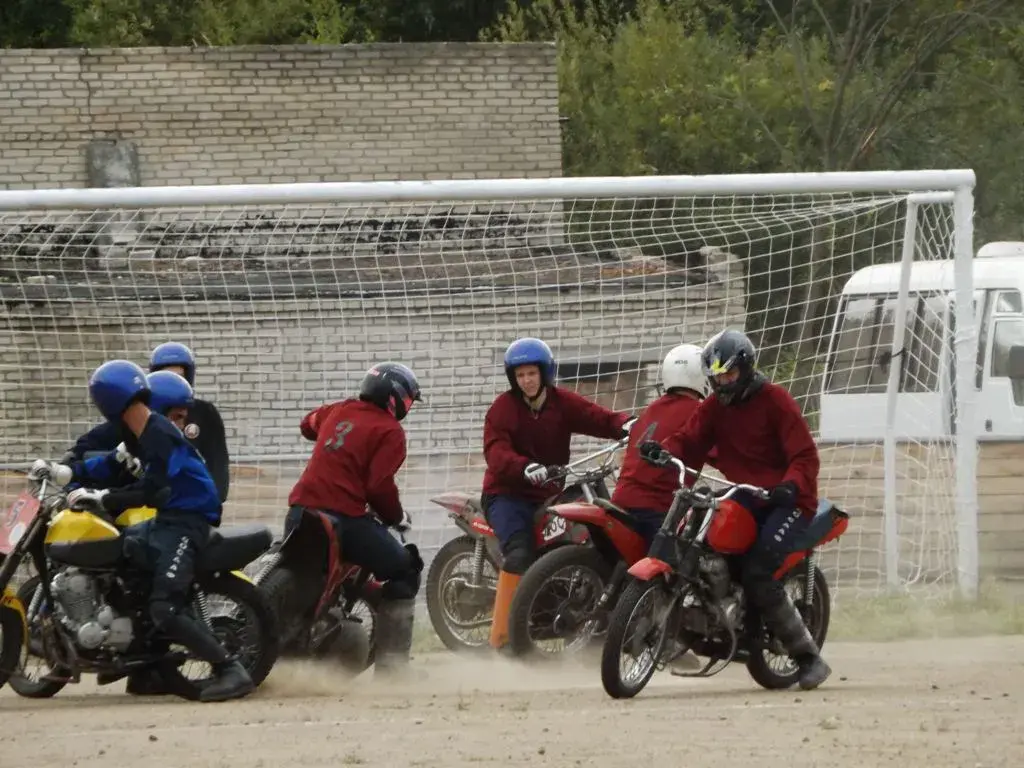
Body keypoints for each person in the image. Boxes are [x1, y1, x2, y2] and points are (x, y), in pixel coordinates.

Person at [29, 360, 254, 703]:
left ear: (107, 401)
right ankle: (135, 656)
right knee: (122, 558)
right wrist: (62, 471)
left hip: (186, 521)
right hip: (167, 518)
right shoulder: (138, 431)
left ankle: (230, 670)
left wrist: (103, 496)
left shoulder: (159, 433)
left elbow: (155, 490)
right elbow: (108, 463)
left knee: (165, 607)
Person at [641, 329, 831, 690]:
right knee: (704, 543)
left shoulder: (776, 401)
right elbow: (690, 439)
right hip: (747, 492)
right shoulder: (713, 407)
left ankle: (807, 657)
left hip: (788, 499)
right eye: (716, 377)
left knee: (758, 570)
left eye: (729, 375)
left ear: (746, 369)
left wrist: (790, 484)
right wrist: (663, 450)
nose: (723, 383)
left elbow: (805, 456)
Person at [482, 337, 634, 649]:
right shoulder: (502, 409)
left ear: (545, 373)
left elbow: (597, 417)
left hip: (547, 494)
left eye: (531, 374)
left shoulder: (561, 402)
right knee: (520, 553)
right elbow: (495, 452)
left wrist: (627, 424)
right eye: (520, 375)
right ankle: (501, 638)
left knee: (585, 539)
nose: (526, 381)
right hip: (507, 495)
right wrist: (523, 467)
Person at [286, 361, 424, 677]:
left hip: (300, 510)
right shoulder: (391, 431)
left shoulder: (339, 409)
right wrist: (397, 515)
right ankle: (394, 668)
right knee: (406, 568)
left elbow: (307, 424)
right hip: (342, 517)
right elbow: (378, 486)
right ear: (397, 398)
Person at [609, 343, 711, 547]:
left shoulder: (652, 408)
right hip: (657, 508)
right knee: (677, 569)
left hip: (620, 500)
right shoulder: (699, 412)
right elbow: (722, 453)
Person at [149, 342, 231, 504]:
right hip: (152, 498)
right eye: (167, 377)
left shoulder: (205, 412)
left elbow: (217, 459)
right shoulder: (144, 413)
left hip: (194, 500)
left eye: (179, 377)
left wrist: (215, 497)